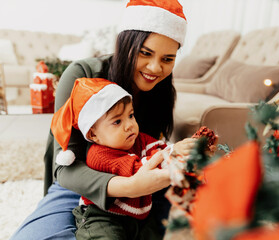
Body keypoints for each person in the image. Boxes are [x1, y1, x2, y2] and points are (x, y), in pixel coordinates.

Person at [10, 0, 188, 239]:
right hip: (81, 184)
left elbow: (152, 150)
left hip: (140, 190)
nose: (155, 68)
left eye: (167, 59)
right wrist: (130, 186)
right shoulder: (81, 76)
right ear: (125, 44)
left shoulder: (161, 91)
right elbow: (66, 168)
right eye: (145, 53)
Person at [50, 77, 193, 239]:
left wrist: (180, 151)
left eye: (131, 115)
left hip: (138, 216)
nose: (129, 125)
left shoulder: (137, 139)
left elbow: (159, 148)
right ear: (93, 134)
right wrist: (172, 157)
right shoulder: (99, 155)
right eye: (117, 121)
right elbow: (139, 170)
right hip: (103, 216)